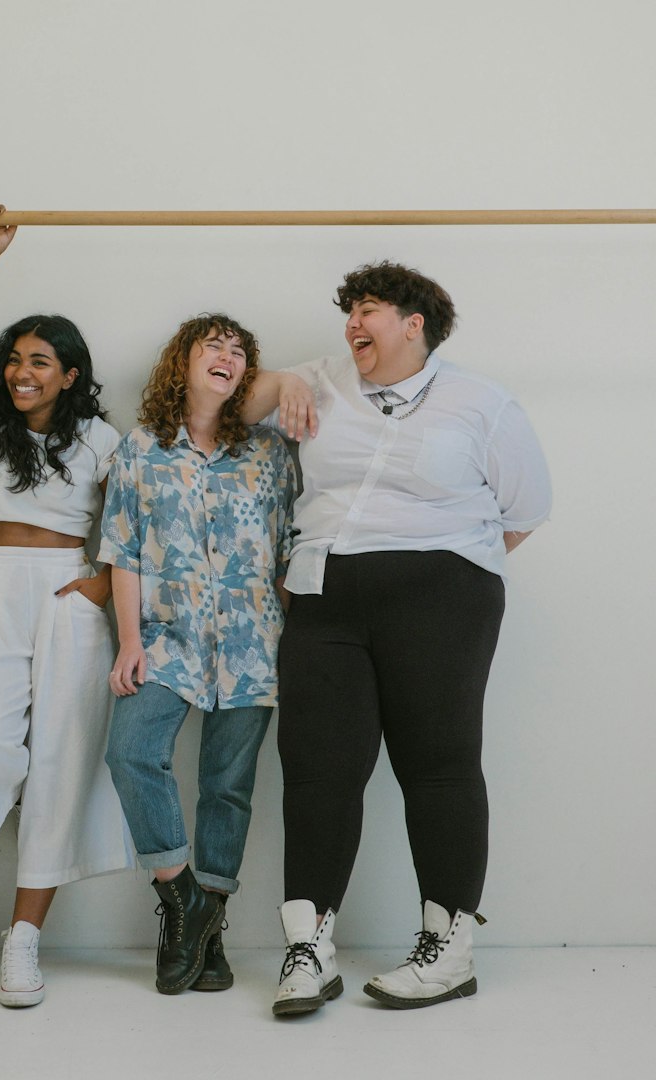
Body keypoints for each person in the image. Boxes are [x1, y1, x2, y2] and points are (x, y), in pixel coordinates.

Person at [268, 262, 552, 1015]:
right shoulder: (317, 380)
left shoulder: (481, 402)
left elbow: (524, 509)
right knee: (317, 767)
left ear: (413, 322)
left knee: (438, 763)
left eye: (367, 310)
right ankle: (307, 948)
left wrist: (440, 571)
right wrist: (278, 381)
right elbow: (218, 399)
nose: (352, 325)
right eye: (348, 314)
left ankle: (447, 948)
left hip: (443, 593)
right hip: (324, 590)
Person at [0, 206, 135, 1008]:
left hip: (68, 598)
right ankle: (11, 830)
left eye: (41, 361)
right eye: (14, 360)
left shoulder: (104, 444)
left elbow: (132, 533)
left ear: (71, 375)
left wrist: (97, 586)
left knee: (60, 764)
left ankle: (23, 940)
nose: (22, 372)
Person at [101, 314, 298, 995]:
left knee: (228, 788)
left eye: (239, 349)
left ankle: (207, 928)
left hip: (254, 643)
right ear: (179, 363)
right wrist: (129, 639)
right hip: (166, 640)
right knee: (130, 751)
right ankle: (180, 899)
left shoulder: (271, 451)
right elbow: (122, 550)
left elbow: (292, 550)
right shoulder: (142, 448)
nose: (227, 354)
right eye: (211, 344)